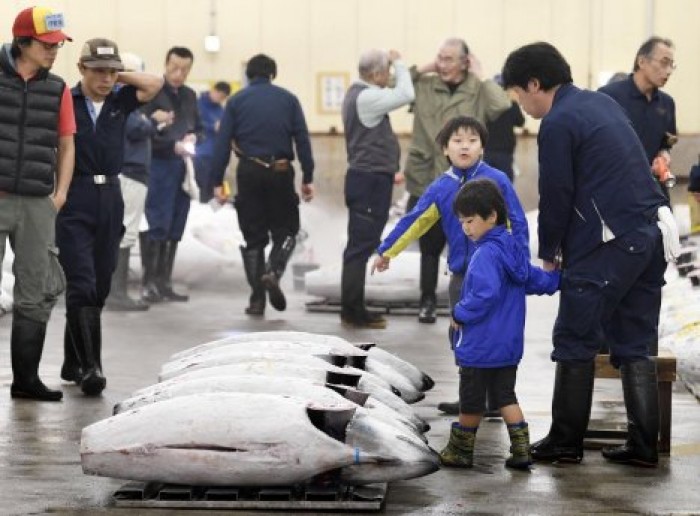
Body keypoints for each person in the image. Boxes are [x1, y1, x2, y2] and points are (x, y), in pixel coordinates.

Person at [502, 42, 678, 467]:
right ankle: (642, 446)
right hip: (646, 235)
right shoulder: (599, 103)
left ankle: (565, 441)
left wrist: (549, 252)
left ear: (534, 84)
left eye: (518, 96)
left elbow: (557, 192)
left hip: (607, 244)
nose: (521, 106)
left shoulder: (559, 122)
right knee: (635, 341)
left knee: (575, 339)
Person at [372, 116, 529, 415]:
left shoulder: (498, 180)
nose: (465, 146)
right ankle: (470, 397)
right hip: (462, 276)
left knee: (498, 333)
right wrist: (387, 251)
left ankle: (497, 399)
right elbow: (414, 220)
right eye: (457, 141)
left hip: (499, 276)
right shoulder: (441, 187)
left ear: (482, 146)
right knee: (463, 334)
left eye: (472, 140)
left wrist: (519, 264)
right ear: (445, 149)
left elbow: (518, 223)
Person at [57, 38, 162, 396]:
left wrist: (120, 75)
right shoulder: (65, 101)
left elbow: (155, 84)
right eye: (97, 70)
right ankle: (91, 368)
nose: (105, 78)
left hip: (111, 196)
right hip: (75, 195)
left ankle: (72, 360)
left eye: (110, 71)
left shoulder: (121, 100)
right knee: (82, 281)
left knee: (100, 284)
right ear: (81, 69)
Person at [439, 178, 559, 470]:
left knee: (471, 401)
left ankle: (460, 451)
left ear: (491, 216)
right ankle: (521, 450)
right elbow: (533, 279)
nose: (466, 229)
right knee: (506, 396)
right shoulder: (513, 249)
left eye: (470, 221)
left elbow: (484, 294)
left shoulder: (484, 254)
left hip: (480, 347)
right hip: (507, 347)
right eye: (461, 223)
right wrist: (557, 278)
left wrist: (460, 313)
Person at [403, 37, 510, 324]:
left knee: (467, 243)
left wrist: (481, 75)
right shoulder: (425, 84)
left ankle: (467, 300)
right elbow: (394, 85)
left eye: (450, 59)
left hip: (466, 182)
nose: (443, 64)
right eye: (440, 57)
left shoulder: (477, 88)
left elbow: (502, 105)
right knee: (428, 244)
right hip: (428, 174)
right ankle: (426, 301)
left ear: (465, 62)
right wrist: (424, 67)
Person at [0, 6, 75, 402]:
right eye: (47, 45)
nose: (54, 51)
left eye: (58, 45)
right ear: (22, 43)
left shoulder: (58, 88)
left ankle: (25, 381)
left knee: (35, 291)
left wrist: (59, 195)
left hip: (36, 203)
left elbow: (66, 144)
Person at [211, 54, 315, 316]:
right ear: (273, 74)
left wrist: (216, 182)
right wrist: (308, 177)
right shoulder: (289, 99)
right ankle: (273, 271)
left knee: (253, 238)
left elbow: (222, 143)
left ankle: (257, 299)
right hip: (280, 172)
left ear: (248, 75)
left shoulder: (235, 102)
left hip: (249, 172)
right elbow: (302, 139)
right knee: (288, 231)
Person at [340, 48, 414, 329]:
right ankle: (352, 311)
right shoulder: (368, 97)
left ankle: (354, 307)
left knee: (361, 245)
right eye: (387, 71)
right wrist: (400, 61)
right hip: (368, 181)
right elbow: (406, 94)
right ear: (376, 73)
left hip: (368, 178)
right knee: (360, 248)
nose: (389, 76)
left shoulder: (359, 94)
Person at [105, 53, 173, 312]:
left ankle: (116, 291)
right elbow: (134, 129)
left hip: (132, 172)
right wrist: (154, 121)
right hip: (130, 173)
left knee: (124, 231)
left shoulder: (124, 101)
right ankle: (117, 293)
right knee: (125, 231)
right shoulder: (125, 101)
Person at [141, 46, 202, 303]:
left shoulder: (189, 95)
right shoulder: (152, 91)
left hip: (182, 167)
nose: (179, 74)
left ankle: (164, 282)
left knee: (176, 224)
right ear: (165, 65)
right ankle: (148, 283)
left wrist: (193, 137)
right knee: (157, 223)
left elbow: (199, 127)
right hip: (159, 165)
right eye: (174, 68)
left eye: (185, 70)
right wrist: (170, 145)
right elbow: (142, 130)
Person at [598, 37, 677, 200]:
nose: (668, 71)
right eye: (664, 62)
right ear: (642, 61)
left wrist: (663, 155)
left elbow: (665, 143)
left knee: (666, 225)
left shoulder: (667, 103)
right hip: (616, 191)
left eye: (672, 65)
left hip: (654, 192)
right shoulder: (608, 96)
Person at [195, 81, 231, 202]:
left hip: (216, 154)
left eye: (223, 98)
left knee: (215, 188)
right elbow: (194, 124)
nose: (220, 99)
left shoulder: (220, 109)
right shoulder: (198, 104)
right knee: (201, 188)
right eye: (220, 96)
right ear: (214, 90)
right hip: (201, 153)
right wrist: (212, 126)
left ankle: (213, 212)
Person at [483, 76, 525, 182]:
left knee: (485, 182)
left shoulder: (486, 104)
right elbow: (520, 122)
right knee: (505, 182)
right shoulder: (511, 104)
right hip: (504, 150)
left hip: (487, 148)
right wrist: (515, 103)